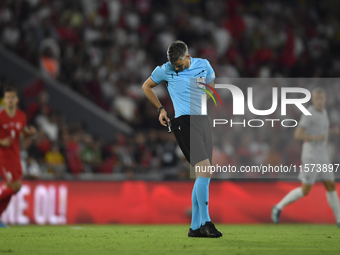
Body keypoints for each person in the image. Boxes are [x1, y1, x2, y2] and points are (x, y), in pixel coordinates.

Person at [142, 40, 222, 237]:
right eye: (173, 65)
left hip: (202, 121)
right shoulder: (165, 69)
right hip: (183, 123)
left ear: (188, 57)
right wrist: (160, 109)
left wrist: (206, 94)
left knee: (203, 174)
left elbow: (211, 80)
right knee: (205, 171)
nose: (175, 68)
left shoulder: (203, 64)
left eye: (178, 64)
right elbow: (147, 86)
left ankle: (195, 228)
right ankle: (206, 222)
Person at [272, 88, 340, 227]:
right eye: (317, 98)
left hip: (322, 153)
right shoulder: (309, 114)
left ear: (325, 99)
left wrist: (332, 131)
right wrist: (315, 137)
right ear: (313, 100)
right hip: (311, 154)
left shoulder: (324, 113)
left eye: (322, 98)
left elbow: (321, 131)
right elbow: (298, 134)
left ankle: (339, 220)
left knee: (331, 186)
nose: (320, 101)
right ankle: (278, 207)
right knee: (305, 190)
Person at [0, 86, 36, 227]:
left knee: (12, 187)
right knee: (16, 186)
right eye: (7, 97)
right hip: (3, 156)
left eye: (12, 97)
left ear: (17, 100)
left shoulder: (21, 115)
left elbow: (22, 133)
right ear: (4, 100)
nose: (10, 100)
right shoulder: (0, 116)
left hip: (16, 156)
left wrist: (30, 133)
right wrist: (1, 141)